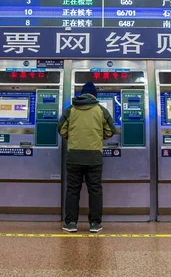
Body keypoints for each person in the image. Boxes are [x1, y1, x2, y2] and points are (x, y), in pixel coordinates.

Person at [58, 81, 116, 233]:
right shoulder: (101, 110)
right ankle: (95, 224)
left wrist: (71, 138)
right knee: (95, 190)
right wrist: (97, 137)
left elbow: (61, 129)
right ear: (94, 95)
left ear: (82, 94)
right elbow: (111, 130)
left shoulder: (70, 109)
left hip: (74, 156)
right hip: (94, 156)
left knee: (72, 190)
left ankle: (71, 223)